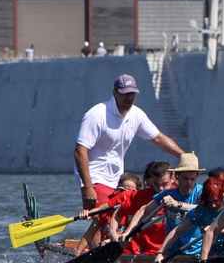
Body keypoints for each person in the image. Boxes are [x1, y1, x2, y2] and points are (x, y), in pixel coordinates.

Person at [74, 74, 184, 212]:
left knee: (116, 220)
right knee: (101, 221)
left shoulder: (136, 115)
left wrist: (184, 156)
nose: (129, 98)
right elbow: (79, 152)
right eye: (125, 94)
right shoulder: (97, 115)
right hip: (95, 177)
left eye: (132, 93)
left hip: (116, 179)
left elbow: (158, 139)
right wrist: (88, 187)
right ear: (114, 93)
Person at [122, 152, 205, 254]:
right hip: (172, 251)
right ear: (177, 176)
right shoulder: (167, 194)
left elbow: (204, 209)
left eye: (192, 179)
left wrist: (178, 204)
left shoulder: (202, 192)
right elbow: (144, 210)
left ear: (197, 176)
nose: (189, 183)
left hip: (196, 251)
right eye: (185, 178)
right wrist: (128, 232)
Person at [154, 176, 224, 263]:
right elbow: (177, 231)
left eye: (216, 201)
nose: (213, 205)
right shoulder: (201, 210)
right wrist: (161, 253)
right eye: (209, 202)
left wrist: (215, 229)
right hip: (211, 255)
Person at [111, 161, 173, 255]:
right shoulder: (139, 196)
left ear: (172, 178)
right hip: (143, 253)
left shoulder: (180, 194)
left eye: (164, 184)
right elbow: (118, 213)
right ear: (151, 179)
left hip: (168, 252)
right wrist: (114, 233)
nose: (160, 188)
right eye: (156, 184)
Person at [74, 172, 141, 256]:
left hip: (129, 251)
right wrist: (78, 253)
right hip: (106, 251)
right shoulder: (108, 210)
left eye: (130, 192)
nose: (125, 195)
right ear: (117, 189)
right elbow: (89, 233)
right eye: (122, 190)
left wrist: (109, 241)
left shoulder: (138, 213)